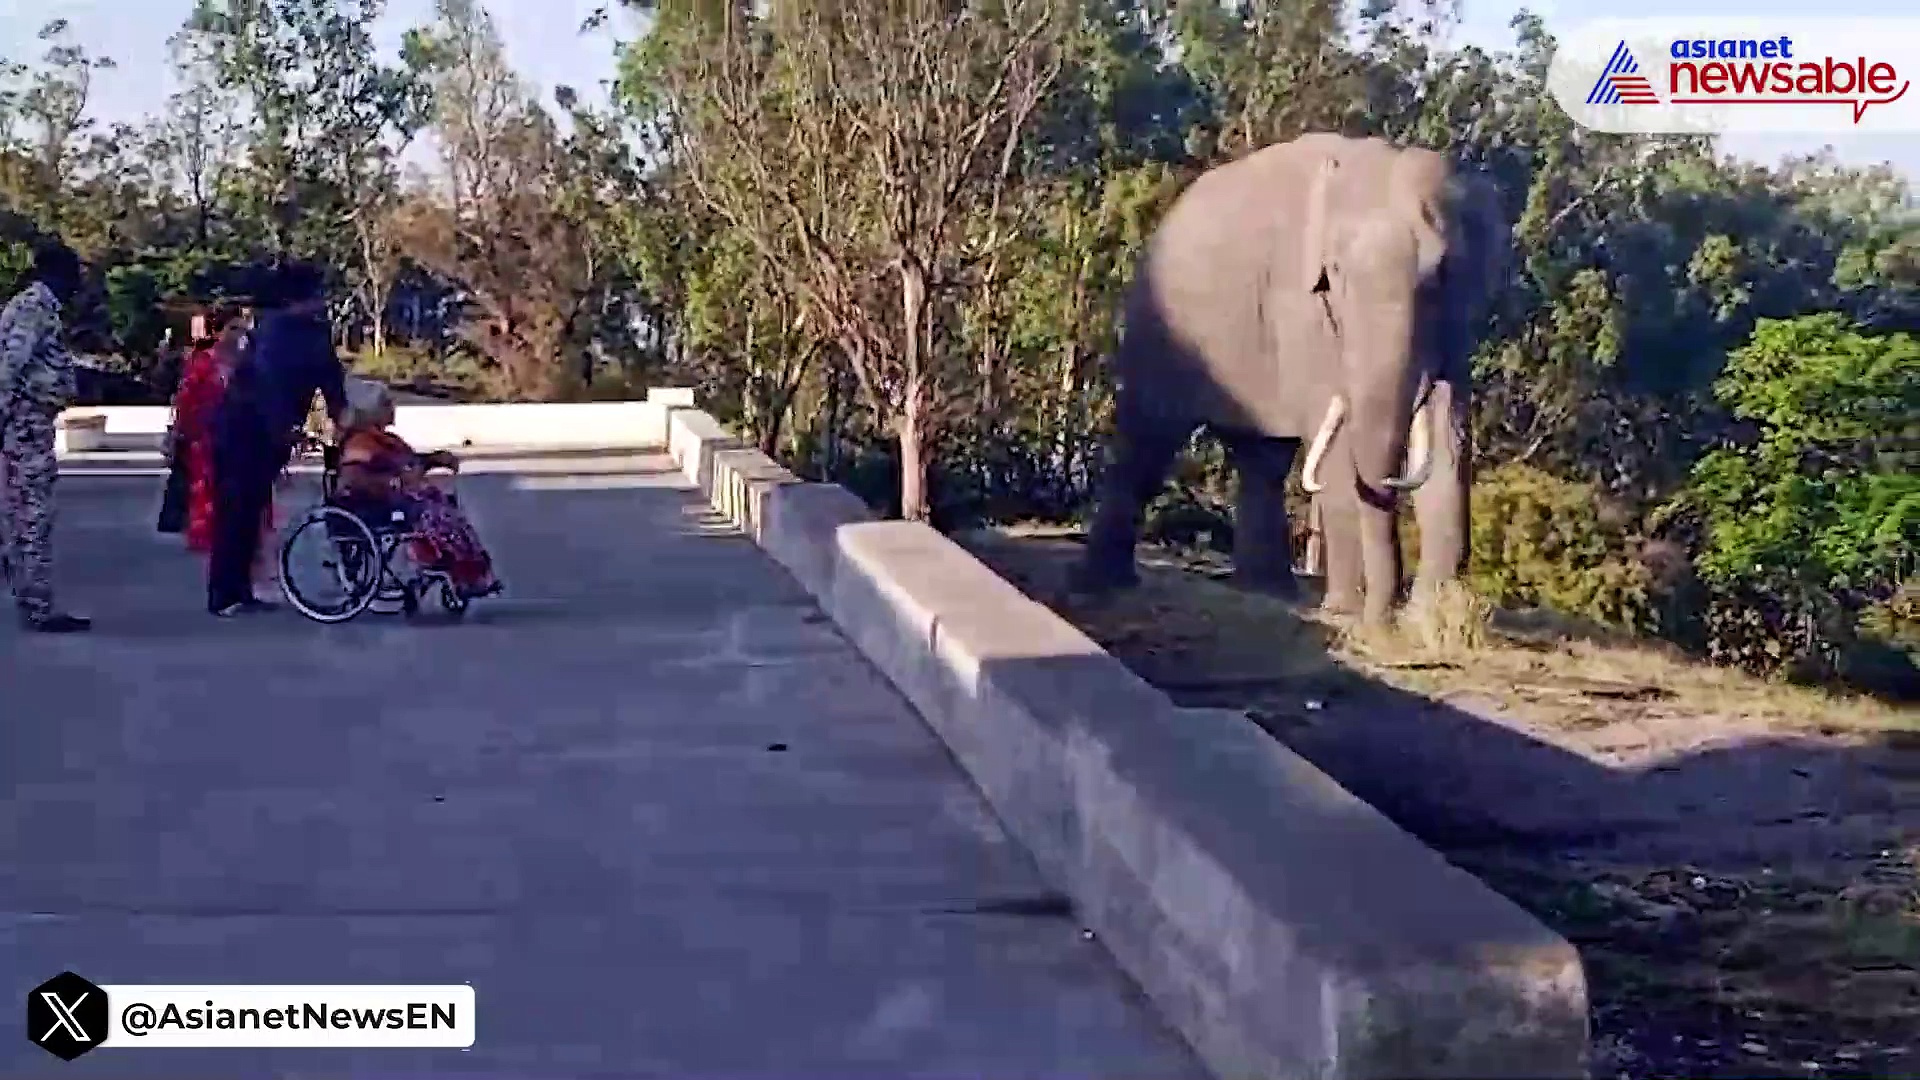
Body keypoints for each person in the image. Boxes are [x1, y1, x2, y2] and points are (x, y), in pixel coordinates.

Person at [207, 262, 347, 617]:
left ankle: (237, 590)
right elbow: (270, 388)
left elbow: (329, 379)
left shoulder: (296, 332)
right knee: (239, 510)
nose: (321, 302)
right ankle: (226, 593)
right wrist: (288, 429)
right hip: (246, 430)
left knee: (248, 510)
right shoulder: (281, 333)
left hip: (249, 427)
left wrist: (333, 420)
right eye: (316, 295)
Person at [336, 378, 501, 599]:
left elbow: (410, 463)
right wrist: (395, 482)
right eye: (387, 403)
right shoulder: (361, 443)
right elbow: (353, 479)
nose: (392, 408)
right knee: (437, 516)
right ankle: (455, 570)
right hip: (374, 505)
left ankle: (469, 574)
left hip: (394, 500)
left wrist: (435, 459)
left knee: (447, 509)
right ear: (372, 411)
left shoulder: (385, 439)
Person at [0, 240, 90, 633]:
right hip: (26, 423)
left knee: (25, 512)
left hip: (28, 421)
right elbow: (9, 367)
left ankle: (32, 597)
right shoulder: (34, 308)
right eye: (74, 274)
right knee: (33, 514)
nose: (78, 283)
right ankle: (38, 606)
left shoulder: (36, 306)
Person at [171, 306, 273, 556]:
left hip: (245, 433)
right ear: (219, 332)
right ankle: (208, 534)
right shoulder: (203, 362)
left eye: (242, 329)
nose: (239, 334)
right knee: (207, 485)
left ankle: (250, 535)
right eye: (233, 328)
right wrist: (183, 429)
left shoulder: (253, 362)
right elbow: (187, 399)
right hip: (207, 433)